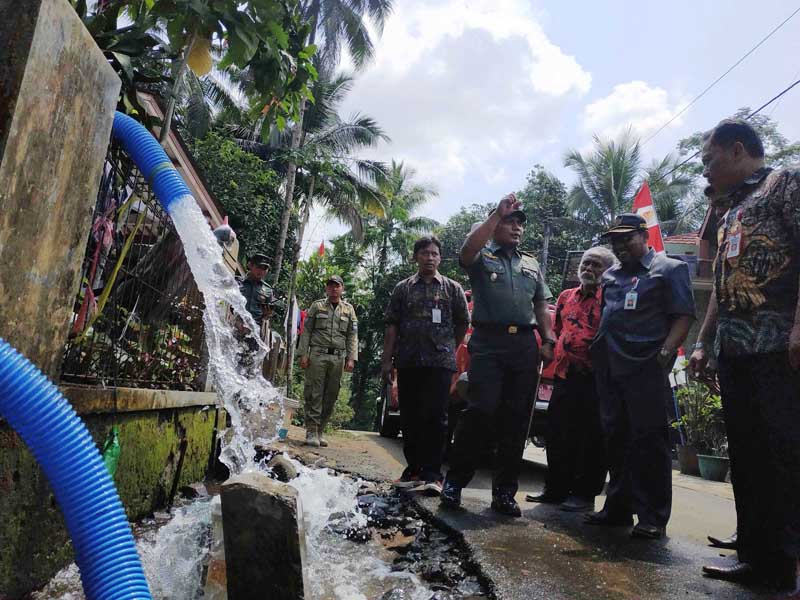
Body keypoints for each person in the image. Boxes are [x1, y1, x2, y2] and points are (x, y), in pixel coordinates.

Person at [689, 119, 800, 592]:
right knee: (750, 460)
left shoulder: (785, 184)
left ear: (737, 151)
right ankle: (759, 561)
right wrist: (704, 341)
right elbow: (721, 282)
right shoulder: (729, 208)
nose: (705, 171)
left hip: (780, 349)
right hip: (735, 353)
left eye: (709, 160)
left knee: (785, 458)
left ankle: (791, 568)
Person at [441, 194, 555, 518]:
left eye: (520, 222)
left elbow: (540, 305)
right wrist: (495, 213)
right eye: (510, 221)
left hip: (524, 345)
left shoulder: (531, 263)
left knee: (517, 419)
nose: (516, 227)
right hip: (488, 342)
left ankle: (504, 493)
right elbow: (465, 251)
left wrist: (547, 338)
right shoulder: (482, 255)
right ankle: (455, 482)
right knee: (480, 411)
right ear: (495, 225)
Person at [585, 213, 694, 539]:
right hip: (610, 366)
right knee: (616, 438)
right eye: (615, 241)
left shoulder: (669, 269)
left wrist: (664, 353)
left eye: (626, 239)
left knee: (648, 441)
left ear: (644, 236)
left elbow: (684, 316)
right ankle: (617, 509)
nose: (620, 246)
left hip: (645, 366)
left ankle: (653, 516)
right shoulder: (611, 275)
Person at [526, 246, 616, 512]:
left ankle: (584, 495)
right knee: (558, 433)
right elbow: (555, 330)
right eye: (586, 264)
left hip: (597, 377)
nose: (589, 269)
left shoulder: (611, 297)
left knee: (592, 438)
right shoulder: (566, 296)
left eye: (596, 265)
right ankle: (554, 490)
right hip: (566, 376)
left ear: (608, 271)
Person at [381, 236, 470, 494]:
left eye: (434, 254)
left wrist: (447, 349)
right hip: (408, 362)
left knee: (436, 418)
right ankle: (413, 470)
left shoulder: (452, 288)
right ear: (415, 257)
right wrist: (387, 361)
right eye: (424, 253)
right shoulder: (403, 288)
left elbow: (463, 322)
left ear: (440, 258)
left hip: (440, 364)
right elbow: (392, 325)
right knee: (409, 417)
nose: (429, 258)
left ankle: (433, 473)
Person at [297, 275, 358, 447]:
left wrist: (351, 358)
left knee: (331, 394)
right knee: (314, 392)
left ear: (342, 288)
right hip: (317, 354)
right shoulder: (317, 306)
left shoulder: (348, 309)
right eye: (330, 286)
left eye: (337, 286)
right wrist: (303, 354)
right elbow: (306, 331)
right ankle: (311, 431)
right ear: (326, 288)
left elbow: (352, 335)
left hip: (338, 357)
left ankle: (321, 430)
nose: (333, 289)